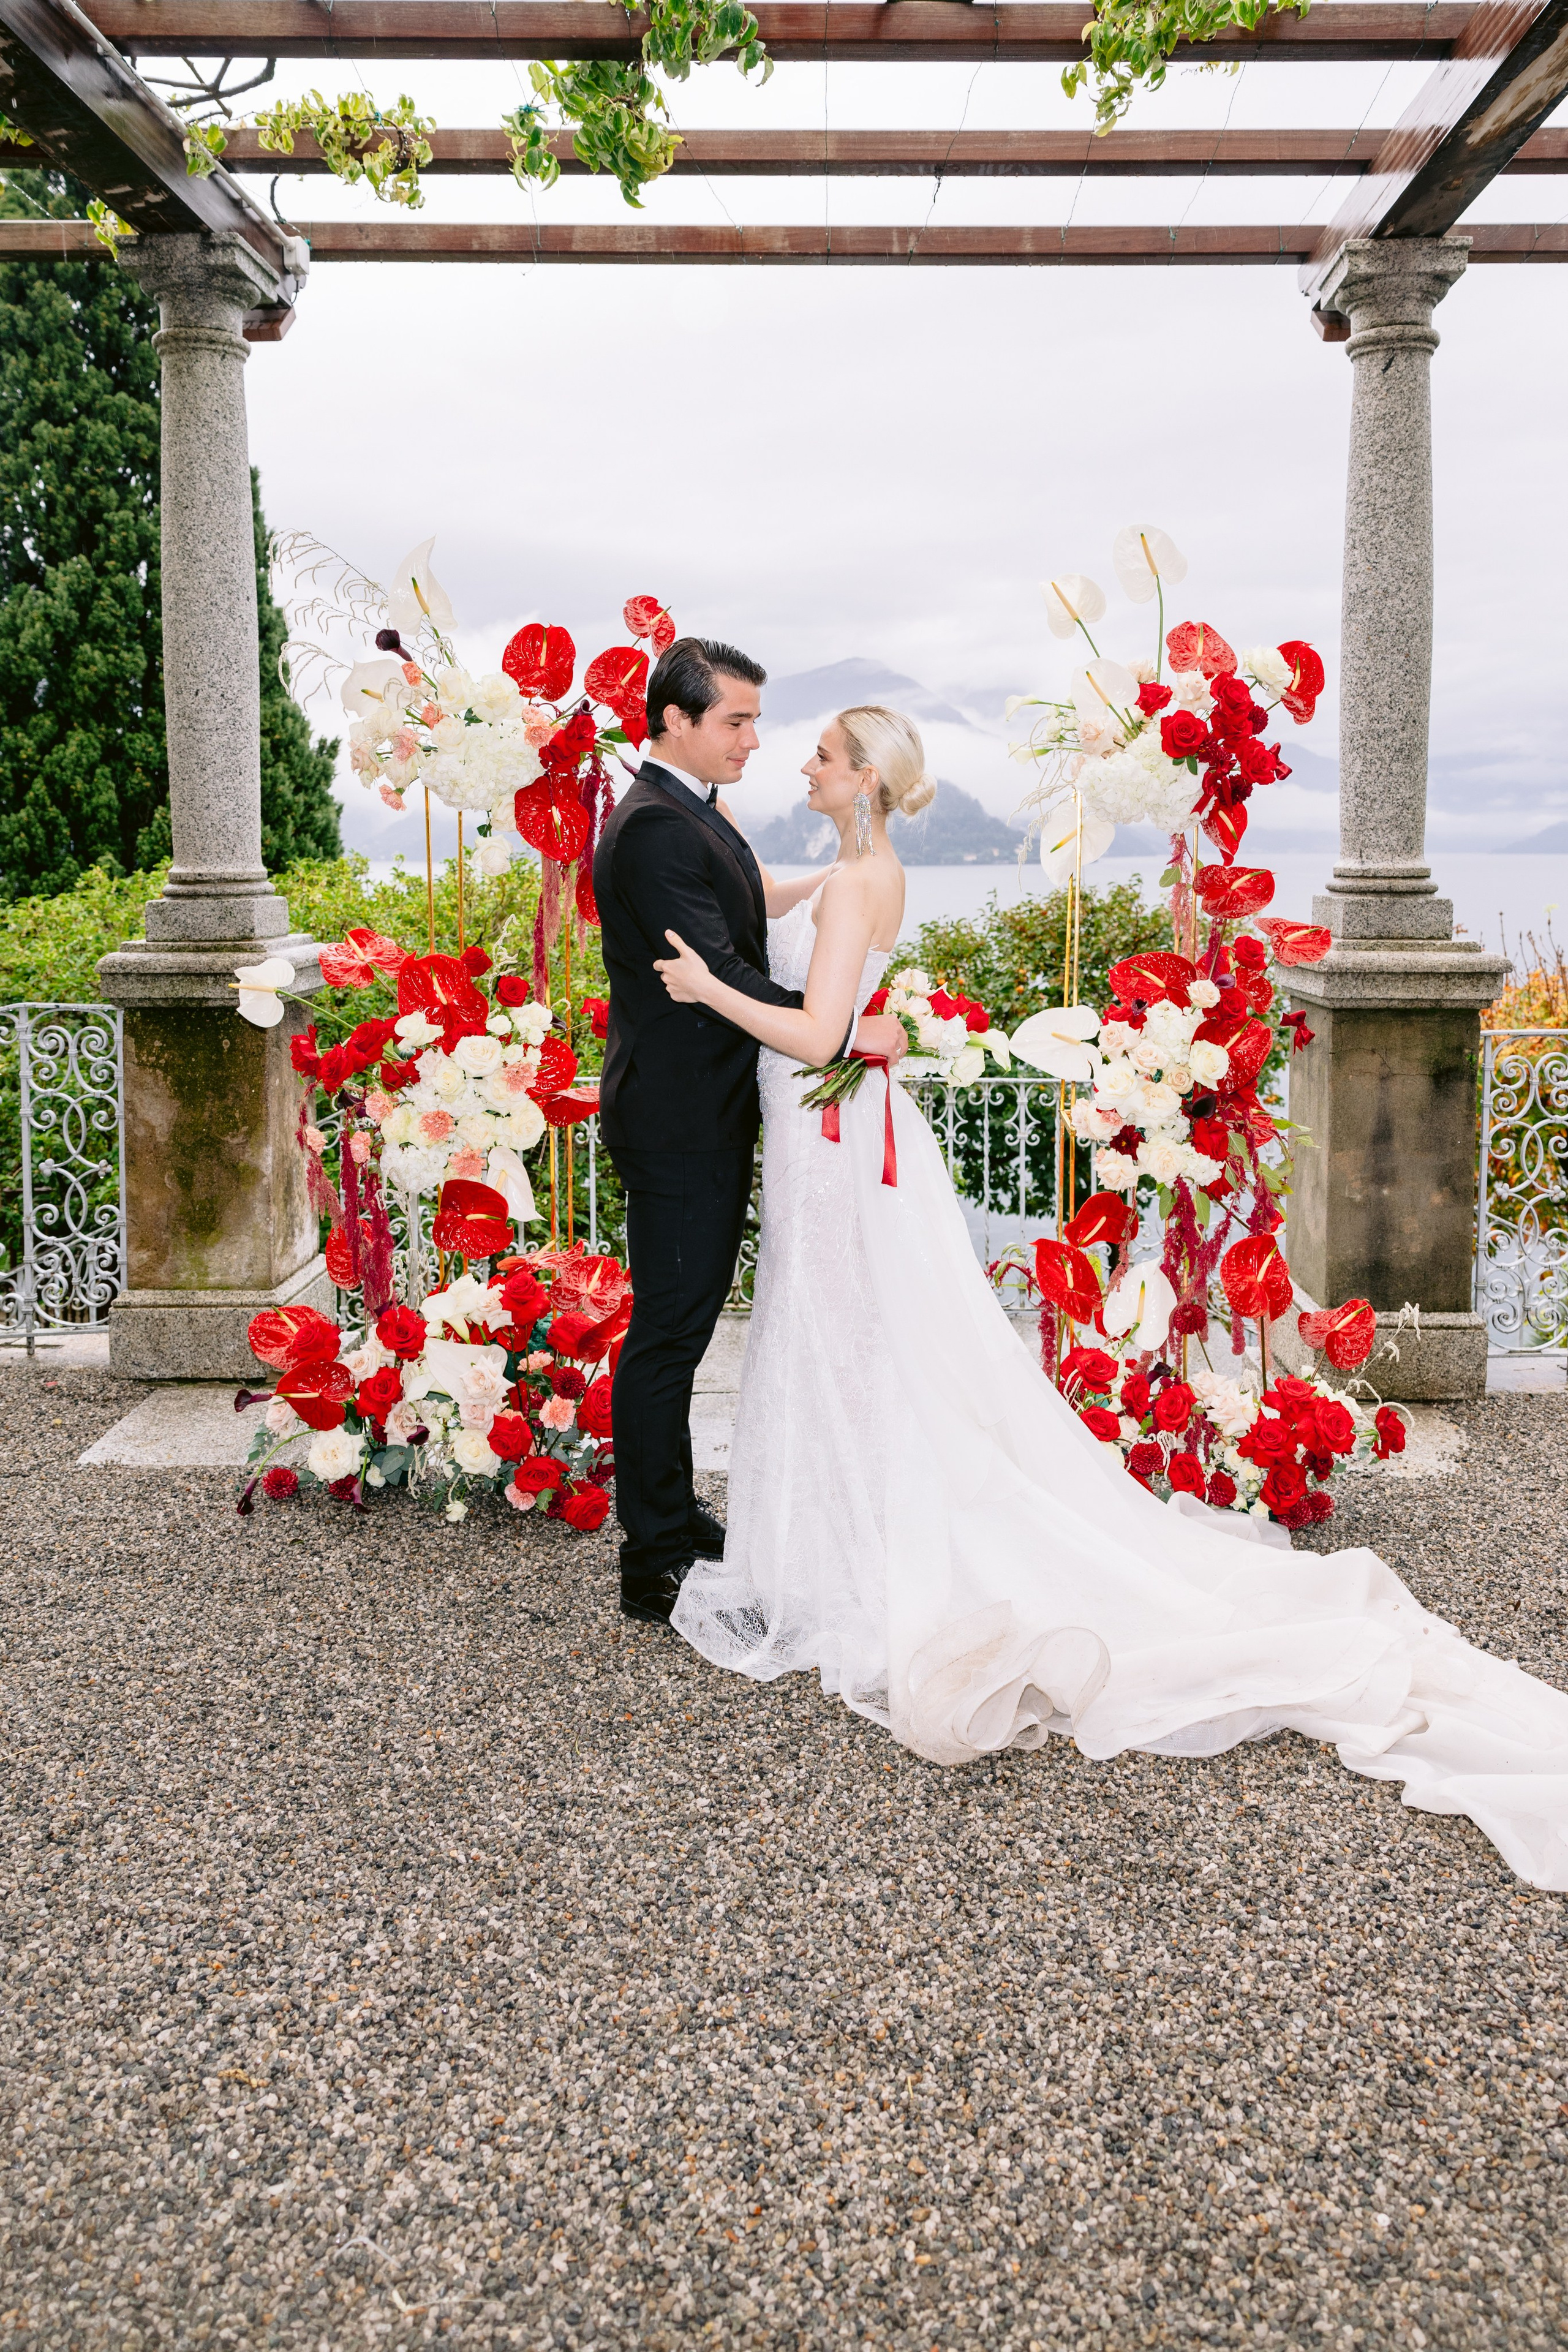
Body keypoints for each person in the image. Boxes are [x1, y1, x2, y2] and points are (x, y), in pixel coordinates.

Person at [653, 701, 1568, 1893]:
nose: (801, 763)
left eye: (820, 756)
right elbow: (784, 908)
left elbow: (816, 1026)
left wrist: (699, 987)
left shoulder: (851, 886)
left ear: (863, 778)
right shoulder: (852, 870)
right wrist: (712, 849)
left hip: (833, 1153)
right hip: (843, 1138)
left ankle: (857, 1557)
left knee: (845, 1347)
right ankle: (842, 1536)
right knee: (854, 1350)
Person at [592, 639, 909, 1625]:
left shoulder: (695, 809)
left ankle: (678, 1517)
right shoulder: (653, 827)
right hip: (682, 1122)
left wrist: (840, 887)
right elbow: (721, 975)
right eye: (734, 721)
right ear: (675, 718)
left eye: (758, 721)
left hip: (714, 1109)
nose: (754, 741)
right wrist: (847, 1028)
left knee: (680, 1327)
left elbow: (740, 915)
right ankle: (653, 1555)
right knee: (670, 1334)